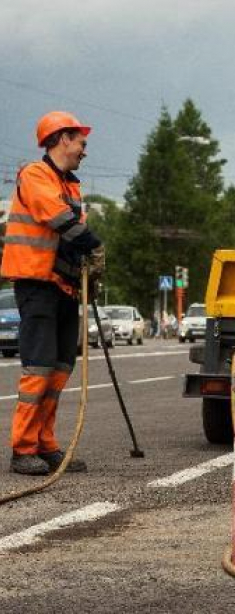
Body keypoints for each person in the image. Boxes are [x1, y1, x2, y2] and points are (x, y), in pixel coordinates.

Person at [1, 111, 105, 475]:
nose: (83, 151)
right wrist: (94, 245)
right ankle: (23, 448)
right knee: (39, 369)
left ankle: (45, 444)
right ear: (62, 139)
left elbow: (70, 237)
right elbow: (57, 218)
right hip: (37, 285)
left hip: (64, 286)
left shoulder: (70, 185)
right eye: (81, 142)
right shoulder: (35, 176)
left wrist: (87, 270)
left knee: (60, 370)